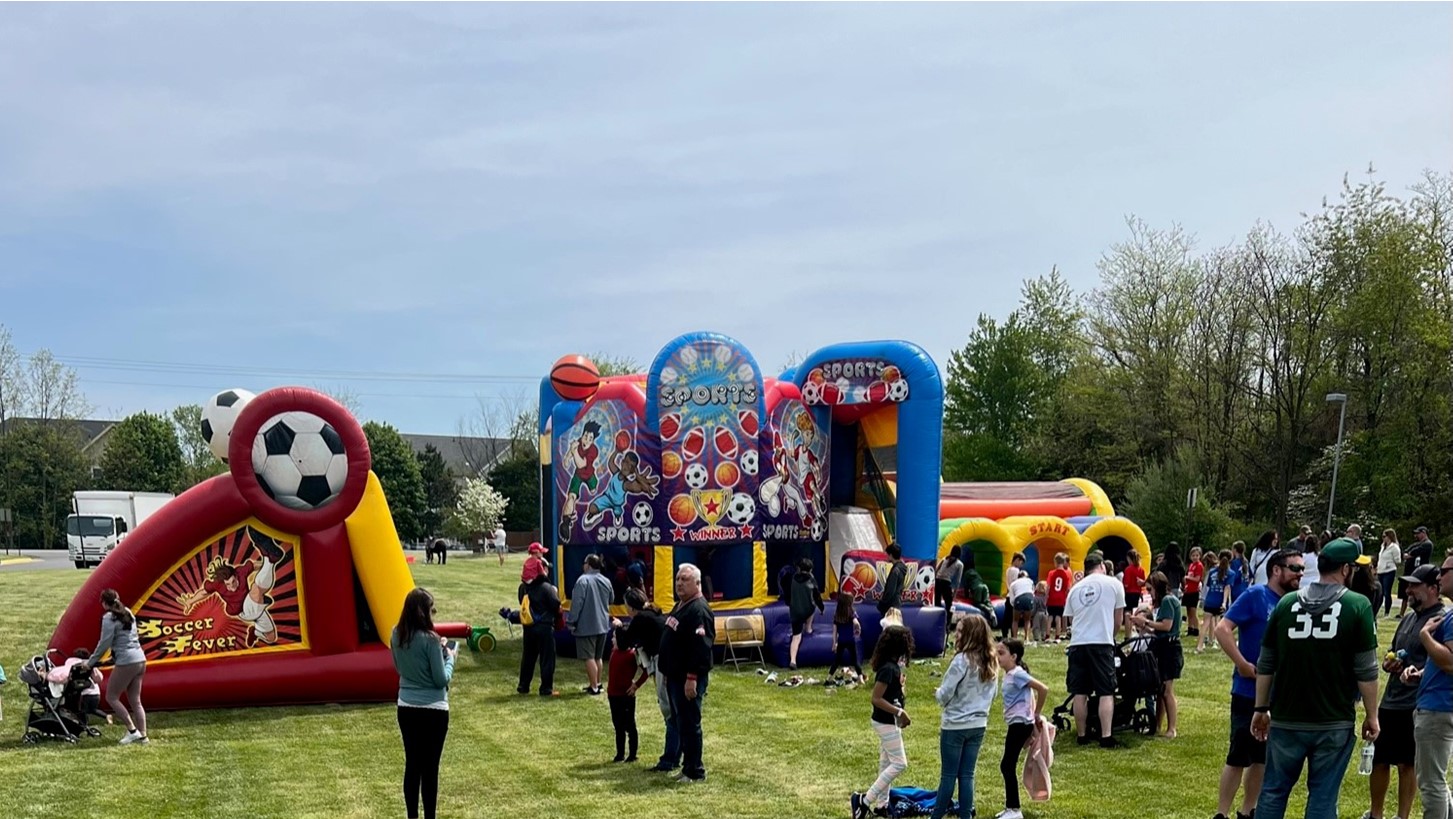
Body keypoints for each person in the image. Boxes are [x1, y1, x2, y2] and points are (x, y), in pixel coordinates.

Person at [1251, 538, 1379, 819]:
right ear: (1346, 569)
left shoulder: (1286, 604)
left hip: (1286, 717)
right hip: (1333, 718)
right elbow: (1367, 670)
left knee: (1272, 791)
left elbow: (1266, 662)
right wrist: (1372, 714)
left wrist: (1261, 708)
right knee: (1322, 797)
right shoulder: (1358, 605)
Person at [1213, 548, 1304, 819]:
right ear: (1277, 570)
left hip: (1277, 694)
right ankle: (1222, 814)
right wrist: (1241, 663)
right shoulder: (1255, 595)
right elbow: (1222, 628)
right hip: (1247, 691)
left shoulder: (1292, 603)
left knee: (1263, 757)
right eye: (1294, 568)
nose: (1300, 573)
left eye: (1302, 569)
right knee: (1238, 754)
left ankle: (1248, 810)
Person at [1364, 564, 1443, 819]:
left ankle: (1402, 816)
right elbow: (1393, 650)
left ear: (1433, 588)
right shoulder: (1409, 617)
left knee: (1407, 763)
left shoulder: (1440, 620)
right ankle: (1375, 814)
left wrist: (1416, 670)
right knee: (1380, 759)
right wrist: (1389, 663)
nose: (1408, 590)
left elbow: (1441, 660)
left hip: (1415, 702)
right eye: (1407, 585)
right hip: (1391, 699)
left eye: (1414, 585)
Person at [391, 588, 457, 819]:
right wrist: (450, 658)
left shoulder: (396, 634)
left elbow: (400, 667)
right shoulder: (431, 640)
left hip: (406, 706)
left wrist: (439, 650)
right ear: (423, 612)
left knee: (412, 765)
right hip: (433, 710)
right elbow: (441, 679)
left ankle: (412, 816)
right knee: (430, 769)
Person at [928, 616, 998, 819]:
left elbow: (946, 693)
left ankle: (937, 815)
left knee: (948, 775)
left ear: (969, 635)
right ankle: (965, 815)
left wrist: (938, 693)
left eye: (959, 631)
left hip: (955, 724)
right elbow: (993, 694)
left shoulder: (962, 660)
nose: (956, 634)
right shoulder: (991, 659)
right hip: (978, 724)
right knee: (967, 775)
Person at [851, 625, 915, 819]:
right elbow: (876, 698)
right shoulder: (888, 669)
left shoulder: (893, 668)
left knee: (886, 762)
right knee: (900, 763)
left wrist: (900, 688)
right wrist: (899, 712)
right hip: (885, 722)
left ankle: (882, 805)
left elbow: (891, 695)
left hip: (889, 721)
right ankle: (864, 800)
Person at [658, 563, 714, 783]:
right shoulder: (681, 604)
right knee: (681, 723)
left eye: (685, 580)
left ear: (697, 583)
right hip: (674, 676)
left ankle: (695, 770)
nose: (679, 583)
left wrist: (692, 678)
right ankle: (686, 765)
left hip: (688, 678)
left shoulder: (699, 609)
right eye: (678, 579)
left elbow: (700, 648)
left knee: (690, 723)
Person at [1063, 552, 1125, 747]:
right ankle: (1106, 736)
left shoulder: (1075, 589)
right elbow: (1118, 619)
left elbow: (1071, 621)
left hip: (1078, 643)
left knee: (1079, 691)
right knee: (1106, 691)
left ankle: (1082, 735)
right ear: (1102, 566)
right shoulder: (1114, 584)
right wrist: (1111, 635)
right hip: (1101, 641)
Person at [1413, 551, 1453, 819]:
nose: (1439, 576)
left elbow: (1451, 662)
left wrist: (1425, 635)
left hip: (1438, 708)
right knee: (1437, 779)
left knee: (1431, 784)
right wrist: (1422, 672)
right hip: (1440, 705)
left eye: (1445, 570)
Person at [616, 589, 674, 773]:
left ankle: (669, 759)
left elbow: (624, 643)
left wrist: (618, 626)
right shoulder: (655, 614)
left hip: (662, 662)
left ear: (631, 607)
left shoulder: (641, 618)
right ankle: (674, 755)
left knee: (669, 712)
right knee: (673, 710)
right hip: (667, 661)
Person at [994, 638, 1049, 819]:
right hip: (1016, 723)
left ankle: (1014, 809)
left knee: (1007, 765)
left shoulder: (1018, 674)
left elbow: (1043, 688)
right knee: (1007, 765)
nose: (998, 656)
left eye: (1002, 653)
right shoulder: (1010, 674)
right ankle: (1011, 807)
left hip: (1020, 724)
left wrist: (1036, 714)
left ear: (1014, 656)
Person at [86, 588, 147, 745]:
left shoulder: (109, 618)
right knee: (136, 700)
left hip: (126, 661)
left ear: (105, 603)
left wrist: (91, 662)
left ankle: (132, 731)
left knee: (111, 697)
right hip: (140, 659)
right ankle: (144, 736)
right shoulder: (128, 612)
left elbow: (104, 643)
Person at [1133, 571, 1183, 738]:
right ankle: (1158, 725)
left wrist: (1145, 621)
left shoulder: (1168, 600)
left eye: (1150, 588)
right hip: (1162, 646)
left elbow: (1166, 626)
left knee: (1167, 690)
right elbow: (1156, 630)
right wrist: (1142, 625)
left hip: (1169, 648)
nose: (1149, 591)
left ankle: (1172, 728)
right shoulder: (1163, 603)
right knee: (1160, 690)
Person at [568, 554, 614, 695]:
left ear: (588, 564)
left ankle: (593, 687)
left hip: (586, 626)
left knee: (589, 657)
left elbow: (577, 604)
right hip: (603, 624)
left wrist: (571, 621)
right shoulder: (606, 580)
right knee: (598, 657)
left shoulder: (582, 581)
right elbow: (611, 599)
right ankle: (598, 684)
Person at [606, 626, 649, 763]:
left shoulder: (632, 655)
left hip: (626, 696)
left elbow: (646, 671)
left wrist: (636, 685)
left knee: (630, 725)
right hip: (613, 695)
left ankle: (632, 754)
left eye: (614, 637)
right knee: (618, 725)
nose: (612, 639)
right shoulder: (615, 651)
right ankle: (620, 754)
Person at [516, 569, 561, 697]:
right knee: (547, 658)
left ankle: (523, 685)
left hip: (529, 626)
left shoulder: (523, 588)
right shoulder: (547, 588)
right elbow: (555, 604)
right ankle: (546, 688)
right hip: (545, 627)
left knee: (528, 657)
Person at [787, 557, 825, 670]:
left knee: (796, 637)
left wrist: (788, 603)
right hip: (808, 610)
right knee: (812, 606)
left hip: (795, 612)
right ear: (810, 570)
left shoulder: (793, 578)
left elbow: (788, 593)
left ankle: (793, 660)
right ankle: (808, 628)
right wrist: (821, 608)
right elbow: (817, 596)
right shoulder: (811, 579)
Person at [1199, 550, 1234, 653]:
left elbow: (1208, 586)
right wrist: (1224, 602)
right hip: (1219, 601)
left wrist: (1203, 598)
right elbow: (1227, 588)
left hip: (1210, 600)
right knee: (1217, 622)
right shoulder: (1231, 573)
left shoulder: (1212, 571)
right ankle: (1214, 641)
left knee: (1205, 623)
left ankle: (1199, 646)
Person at [1399, 527, 1434, 618]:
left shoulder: (1428, 544)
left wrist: (1410, 554)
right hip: (1410, 571)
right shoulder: (1416, 544)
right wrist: (1408, 554)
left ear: (1424, 533)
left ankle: (1420, 610)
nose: (1416, 535)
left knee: (1417, 592)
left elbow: (1416, 551)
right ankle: (1401, 613)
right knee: (1406, 593)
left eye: (1418, 533)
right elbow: (1407, 550)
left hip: (1420, 572)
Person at [829, 591, 864, 681]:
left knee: (836, 661)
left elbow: (835, 631)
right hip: (850, 640)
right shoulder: (852, 612)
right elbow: (856, 622)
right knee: (855, 661)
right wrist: (858, 629)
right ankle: (861, 679)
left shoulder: (837, 615)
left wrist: (834, 643)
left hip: (841, 641)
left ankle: (828, 678)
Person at [1046, 552, 1073, 644]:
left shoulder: (1051, 573)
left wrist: (1046, 596)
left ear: (1055, 562)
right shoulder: (1067, 573)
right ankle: (1057, 635)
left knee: (1050, 617)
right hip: (1061, 598)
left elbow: (1048, 586)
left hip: (1052, 597)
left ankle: (1047, 635)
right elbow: (1068, 588)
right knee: (1058, 617)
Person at [1376, 529, 1403, 619]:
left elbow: (1398, 560)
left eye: (1385, 536)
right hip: (1381, 570)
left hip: (1389, 571)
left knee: (1387, 592)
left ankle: (1387, 612)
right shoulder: (1382, 546)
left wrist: (1389, 563)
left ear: (1389, 537)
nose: (1383, 538)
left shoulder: (1394, 547)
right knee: (1380, 592)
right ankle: (1376, 609)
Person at [1121, 550, 1147, 638]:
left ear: (1129, 558)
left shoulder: (1128, 569)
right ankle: (1135, 632)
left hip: (1129, 593)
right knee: (1135, 613)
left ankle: (1127, 635)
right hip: (1137, 593)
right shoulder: (1141, 569)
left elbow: (1126, 584)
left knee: (1128, 613)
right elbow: (1143, 582)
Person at [936, 546, 964, 624]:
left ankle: (937, 620)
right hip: (946, 582)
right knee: (949, 605)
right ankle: (948, 622)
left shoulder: (945, 558)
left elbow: (937, 569)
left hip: (937, 581)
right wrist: (954, 593)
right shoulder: (960, 564)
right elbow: (958, 580)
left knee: (937, 603)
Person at [879, 543, 908, 617]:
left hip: (890, 606)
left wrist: (882, 604)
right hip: (896, 604)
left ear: (891, 555)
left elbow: (890, 590)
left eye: (887, 555)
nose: (886, 556)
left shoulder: (895, 571)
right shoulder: (901, 568)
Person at [1008, 569, 1035, 641]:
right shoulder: (1030, 581)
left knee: (1015, 620)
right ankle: (1027, 638)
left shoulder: (1013, 584)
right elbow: (1033, 592)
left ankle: (1014, 638)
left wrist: (1015, 607)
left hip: (1019, 598)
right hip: (1029, 597)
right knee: (1027, 620)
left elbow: (1012, 599)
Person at [1185, 546, 1204, 638]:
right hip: (1188, 590)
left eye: (1197, 555)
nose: (1195, 557)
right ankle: (1190, 628)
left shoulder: (1199, 566)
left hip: (1194, 591)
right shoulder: (1191, 565)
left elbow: (1197, 579)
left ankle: (1196, 629)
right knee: (1188, 611)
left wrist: (1187, 578)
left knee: (1193, 611)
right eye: (1193, 555)